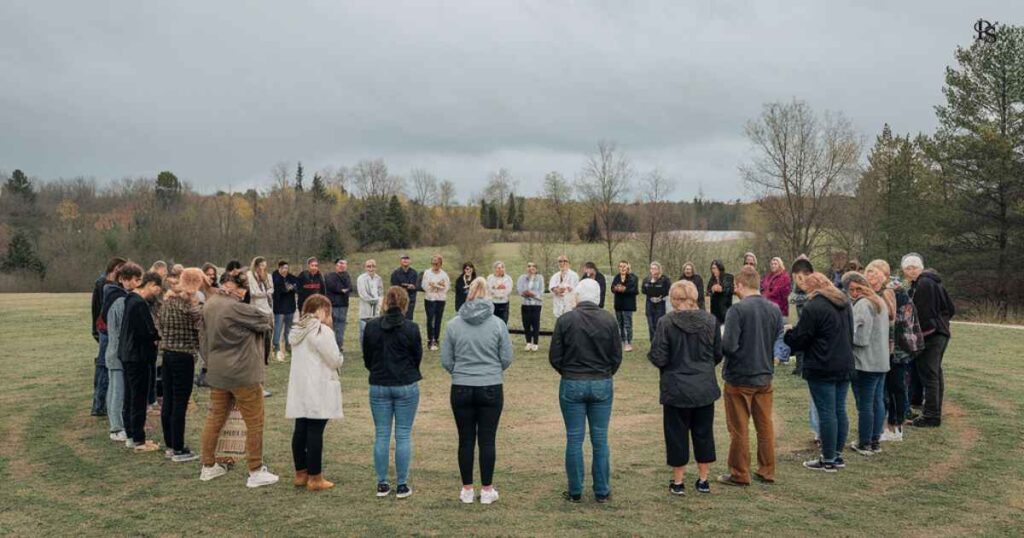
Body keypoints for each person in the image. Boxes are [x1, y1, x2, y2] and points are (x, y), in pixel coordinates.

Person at [198, 271, 278, 488]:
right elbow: (266, 320)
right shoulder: (235, 307)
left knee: (214, 419)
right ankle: (255, 470)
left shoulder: (210, 304)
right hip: (243, 373)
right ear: (238, 288)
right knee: (255, 421)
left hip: (218, 371)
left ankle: (208, 466)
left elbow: (203, 339)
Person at [441, 277, 514, 505]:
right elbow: (506, 358)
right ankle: (487, 489)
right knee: (487, 439)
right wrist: (491, 370)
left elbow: (446, 360)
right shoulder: (497, 324)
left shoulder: (453, 324)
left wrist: (460, 371)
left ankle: (467, 489)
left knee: (465, 440)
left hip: (462, 386)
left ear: (468, 294)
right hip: (490, 385)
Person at [549, 279, 621, 503]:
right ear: (598, 297)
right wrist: (604, 372)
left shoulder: (565, 320)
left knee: (574, 438)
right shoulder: (609, 320)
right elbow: (616, 356)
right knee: (600, 439)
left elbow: (555, 357)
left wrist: (569, 372)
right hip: (601, 381)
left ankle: (575, 490)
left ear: (578, 296)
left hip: (572, 381)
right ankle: (601, 490)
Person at [648, 280, 722, 495]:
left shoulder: (666, 322)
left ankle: (679, 481)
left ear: (673, 299)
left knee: (676, 433)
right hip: (702, 386)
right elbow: (717, 353)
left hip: (677, 386)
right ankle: (703, 479)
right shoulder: (710, 321)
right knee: (703, 432)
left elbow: (658, 356)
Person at [716, 266, 784, 486]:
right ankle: (767, 470)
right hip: (764, 375)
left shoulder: (737, 310)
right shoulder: (774, 309)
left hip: (739, 377)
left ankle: (739, 473)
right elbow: (777, 338)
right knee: (765, 426)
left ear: (739, 285)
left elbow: (729, 345)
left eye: (735, 286)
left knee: (739, 428)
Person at [784, 273, 855, 472]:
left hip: (823, 364)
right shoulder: (844, 302)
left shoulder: (814, 307)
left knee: (827, 412)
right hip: (844, 361)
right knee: (839, 409)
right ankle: (837, 455)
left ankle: (829, 458)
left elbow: (801, 338)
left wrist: (789, 333)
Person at [362, 287, 423, 499]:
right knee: (403, 434)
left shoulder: (371, 327)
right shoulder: (412, 328)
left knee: (382, 434)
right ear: (405, 304)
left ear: (385, 303)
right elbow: (417, 357)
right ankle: (402, 484)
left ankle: (382, 483)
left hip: (379, 383)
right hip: (405, 384)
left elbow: (367, 358)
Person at [286, 294, 344, 492]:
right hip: (318, 386)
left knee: (301, 429)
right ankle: (315, 477)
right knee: (315, 431)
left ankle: (301, 473)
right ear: (321, 311)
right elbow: (334, 359)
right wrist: (341, 358)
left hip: (301, 387)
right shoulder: (321, 331)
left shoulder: (298, 330)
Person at [865, 260, 917, 442]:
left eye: (877, 273)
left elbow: (899, 323)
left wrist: (892, 348)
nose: (872, 277)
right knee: (885, 389)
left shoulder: (896, 293)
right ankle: (886, 424)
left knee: (896, 387)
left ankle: (896, 426)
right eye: (870, 273)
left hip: (898, 349)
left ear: (885, 275)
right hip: (886, 348)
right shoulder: (878, 292)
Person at [158, 268, 205, 462]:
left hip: (167, 354)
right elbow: (202, 324)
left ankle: (170, 444)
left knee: (168, 400)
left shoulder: (167, 302)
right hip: (183, 356)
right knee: (179, 402)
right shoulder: (190, 306)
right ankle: (178, 448)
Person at [902, 253, 955, 428]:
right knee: (935, 373)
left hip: (931, 335)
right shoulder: (934, 282)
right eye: (908, 268)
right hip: (941, 332)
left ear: (921, 268)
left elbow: (921, 313)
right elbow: (950, 308)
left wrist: (919, 335)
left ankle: (931, 415)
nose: (911, 271)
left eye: (914, 267)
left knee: (929, 374)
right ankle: (933, 410)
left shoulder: (924, 284)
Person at [843, 272, 890, 456]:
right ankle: (875, 440)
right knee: (877, 401)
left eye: (857, 288)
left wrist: (845, 338)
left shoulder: (863, 304)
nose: (854, 293)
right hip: (881, 361)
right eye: (851, 290)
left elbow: (860, 338)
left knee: (865, 404)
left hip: (865, 362)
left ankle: (864, 442)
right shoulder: (879, 301)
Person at [120, 271, 164, 453]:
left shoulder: (130, 299)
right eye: (157, 289)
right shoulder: (139, 304)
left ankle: (131, 435)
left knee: (130, 397)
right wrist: (156, 337)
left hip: (127, 354)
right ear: (151, 284)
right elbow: (147, 332)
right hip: (138, 356)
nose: (157, 294)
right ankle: (139, 440)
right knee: (138, 398)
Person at [103, 262, 141, 442]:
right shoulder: (120, 300)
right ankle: (116, 428)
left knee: (114, 389)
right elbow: (120, 330)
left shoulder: (114, 296)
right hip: (118, 352)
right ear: (122, 280)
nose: (136, 283)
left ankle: (115, 424)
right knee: (117, 391)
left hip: (113, 351)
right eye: (133, 279)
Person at [91, 256, 126, 416]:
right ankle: (99, 405)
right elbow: (97, 308)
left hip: (107, 329)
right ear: (116, 268)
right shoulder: (103, 284)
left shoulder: (114, 285)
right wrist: (96, 330)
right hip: (105, 329)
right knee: (104, 367)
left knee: (106, 366)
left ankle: (102, 403)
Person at [421, 255, 451, 351]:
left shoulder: (444, 274)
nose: (434, 265)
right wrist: (434, 286)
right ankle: (430, 340)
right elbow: (424, 285)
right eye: (433, 263)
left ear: (440, 264)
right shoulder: (427, 273)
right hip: (429, 298)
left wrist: (437, 286)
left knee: (438, 319)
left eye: (437, 263)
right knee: (430, 319)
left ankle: (436, 340)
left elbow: (446, 286)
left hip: (440, 299)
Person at [271, 261, 299, 361]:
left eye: (286, 268)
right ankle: (276, 348)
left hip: (290, 307)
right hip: (279, 308)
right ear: (279, 268)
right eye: (283, 268)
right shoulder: (274, 277)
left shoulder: (291, 277)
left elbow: (296, 285)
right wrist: (288, 288)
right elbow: (281, 289)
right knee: (278, 329)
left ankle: (288, 346)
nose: (285, 270)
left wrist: (292, 287)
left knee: (288, 329)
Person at [324, 258, 353, 352]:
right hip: (334, 305)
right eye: (340, 264)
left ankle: (339, 345)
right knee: (333, 325)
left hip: (344, 305)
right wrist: (342, 290)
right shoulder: (330, 276)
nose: (342, 266)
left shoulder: (347, 276)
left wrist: (343, 289)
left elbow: (350, 287)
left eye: (344, 264)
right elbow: (333, 287)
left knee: (341, 326)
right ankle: (331, 346)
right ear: (336, 265)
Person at [610, 260, 639, 352]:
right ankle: (622, 341)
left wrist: (624, 290)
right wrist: (616, 288)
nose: (622, 268)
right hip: (618, 304)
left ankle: (628, 342)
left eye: (624, 266)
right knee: (619, 323)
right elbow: (612, 288)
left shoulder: (633, 278)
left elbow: (635, 290)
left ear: (628, 267)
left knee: (627, 324)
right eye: (620, 266)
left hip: (628, 304)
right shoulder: (616, 277)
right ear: (618, 268)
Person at [516, 262, 544, 351]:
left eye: (533, 266)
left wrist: (533, 294)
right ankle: (528, 342)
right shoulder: (522, 278)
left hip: (536, 304)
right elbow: (519, 290)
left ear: (536, 269)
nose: (531, 268)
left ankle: (535, 343)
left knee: (535, 324)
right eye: (529, 266)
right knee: (526, 323)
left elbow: (541, 291)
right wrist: (525, 293)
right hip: (525, 304)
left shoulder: (540, 278)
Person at [642, 262, 671, 342]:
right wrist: (651, 284)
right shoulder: (647, 279)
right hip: (649, 304)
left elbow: (668, 290)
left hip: (660, 304)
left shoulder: (665, 279)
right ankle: (653, 344)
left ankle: (660, 343)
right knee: (651, 325)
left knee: (658, 324)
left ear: (659, 269)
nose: (653, 270)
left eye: (655, 268)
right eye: (651, 268)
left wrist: (660, 297)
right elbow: (643, 290)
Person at [357, 259, 384, 342]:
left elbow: (381, 292)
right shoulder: (361, 278)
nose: (371, 269)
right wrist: (375, 300)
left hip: (376, 309)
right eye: (369, 266)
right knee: (364, 332)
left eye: (373, 266)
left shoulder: (378, 278)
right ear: (365, 268)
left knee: (375, 331)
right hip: (366, 308)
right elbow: (363, 294)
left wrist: (379, 301)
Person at [390, 254, 419, 320]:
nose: (405, 260)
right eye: (403, 258)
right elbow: (393, 288)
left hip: (410, 300)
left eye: (407, 258)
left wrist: (413, 287)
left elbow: (418, 286)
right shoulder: (395, 273)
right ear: (400, 261)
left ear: (410, 261)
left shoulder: (414, 273)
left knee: (409, 319)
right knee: (399, 318)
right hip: (398, 300)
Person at [707, 260, 734, 325]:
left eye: (714, 268)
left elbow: (728, 290)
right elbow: (708, 292)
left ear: (720, 268)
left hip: (725, 309)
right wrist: (712, 290)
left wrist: (721, 289)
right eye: (712, 268)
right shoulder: (712, 279)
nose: (713, 270)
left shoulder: (728, 277)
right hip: (714, 311)